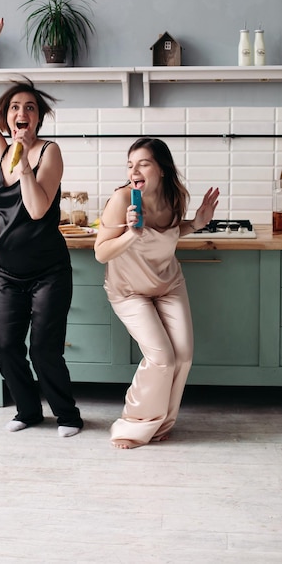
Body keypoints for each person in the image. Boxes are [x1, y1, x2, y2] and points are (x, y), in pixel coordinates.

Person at [0, 18, 83, 437]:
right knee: (6, 351)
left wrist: (23, 160)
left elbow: (37, 210)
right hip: (8, 273)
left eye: (30, 108)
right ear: (6, 116)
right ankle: (28, 411)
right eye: (16, 107)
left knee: (44, 350)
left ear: (38, 119)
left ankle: (68, 415)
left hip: (49, 273)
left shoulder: (50, 153)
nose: (22, 112)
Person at [94, 137, 219, 449]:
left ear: (162, 169)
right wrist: (130, 234)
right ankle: (134, 426)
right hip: (129, 291)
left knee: (184, 355)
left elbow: (171, 232)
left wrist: (197, 223)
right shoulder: (123, 200)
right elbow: (101, 252)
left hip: (168, 284)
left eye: (143, 163)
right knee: (162, 357)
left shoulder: (175, 197)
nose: (134, 170)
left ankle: (162, 423)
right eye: (130, 164)